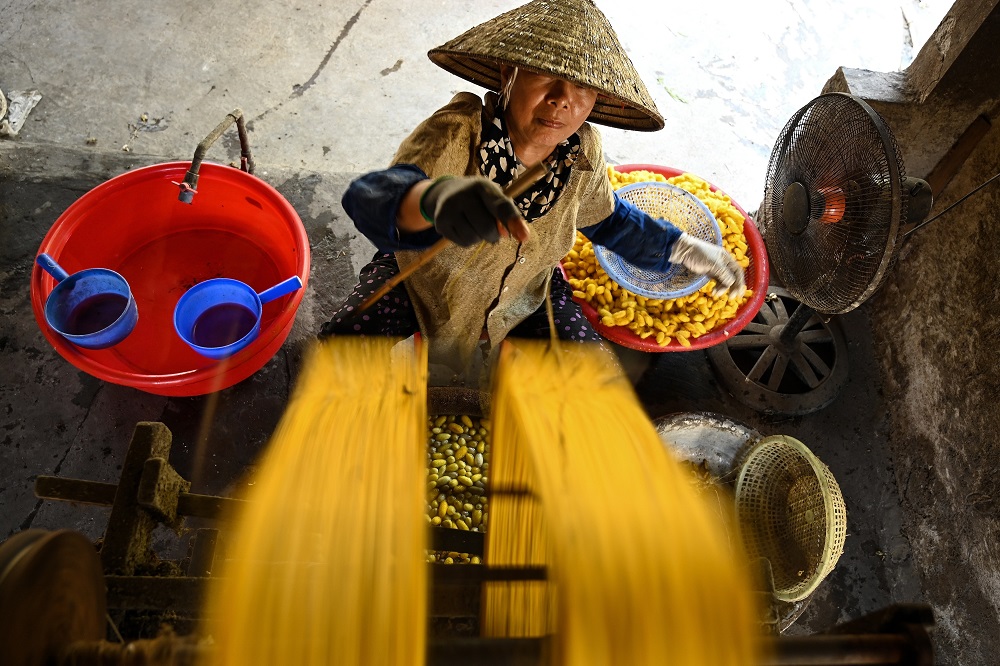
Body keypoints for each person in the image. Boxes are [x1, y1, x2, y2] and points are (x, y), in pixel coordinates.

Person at [319, 0, 744, 379]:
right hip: (425, 284)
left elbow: (607, 220)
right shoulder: (458, 131)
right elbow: (370, 197)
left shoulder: (581, 152)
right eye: (545, 76)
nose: (562, 99)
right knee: (342, 344)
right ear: (510, 72)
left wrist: (681, 248)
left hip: (526, 293)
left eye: (582, 87)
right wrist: (431, 200)